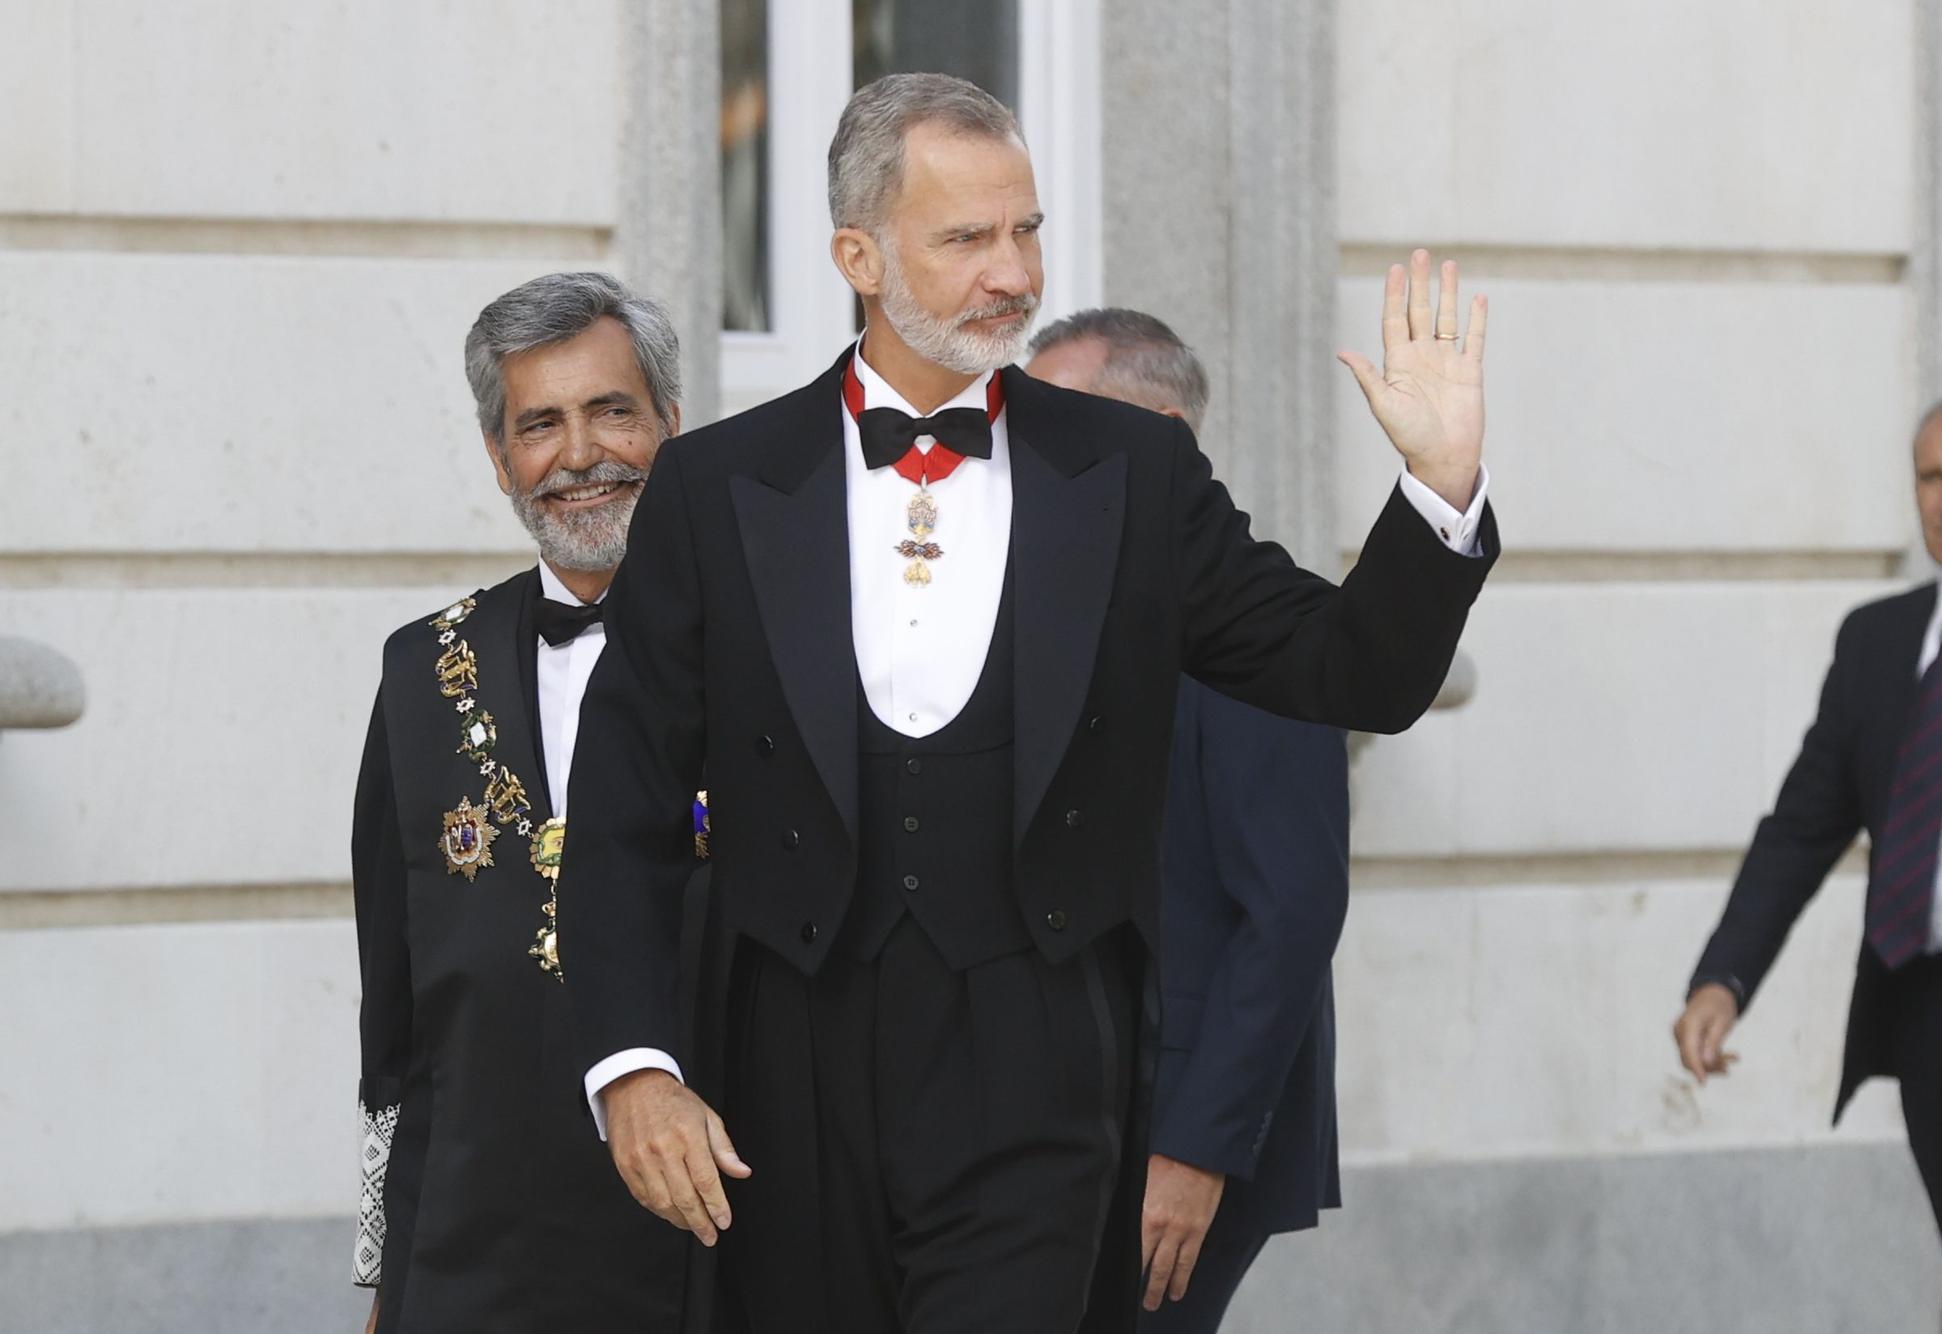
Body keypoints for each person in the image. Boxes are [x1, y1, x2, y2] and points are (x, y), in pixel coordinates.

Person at [563, 72, 1497, 1334]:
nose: (1013, 272)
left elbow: (1348, 670)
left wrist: (1436, 491)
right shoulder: (716, 484)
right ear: (856, 252)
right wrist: (634, 1063)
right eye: (966, 238)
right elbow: (620, 807)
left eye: (1028, 231)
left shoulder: (1130, 469)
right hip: (781, 1060)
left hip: (1038, 1056)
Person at [350, 272, 690, 1333]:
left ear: (671, 426)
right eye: (538, 423)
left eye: (611, 410)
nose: (578, 454)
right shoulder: (420, 670)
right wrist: (382, 1275)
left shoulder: (771, 649)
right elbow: (394, 1019)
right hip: (476, 1254)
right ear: (500, 457)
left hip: (715, 1241)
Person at [1026, 309, 1351, 1330]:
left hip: (1177, 1133)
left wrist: (1198, 1149)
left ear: (1160, 432)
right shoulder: (1053, 607)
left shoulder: (1255, 623)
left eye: (1053, 423)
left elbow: (1292, 908)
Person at [1674, 394, 1942, 1332]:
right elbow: (1802, 829)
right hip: (1929, 1014)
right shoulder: (1879, 642)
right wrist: (1724, 979)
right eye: (1931, 477)